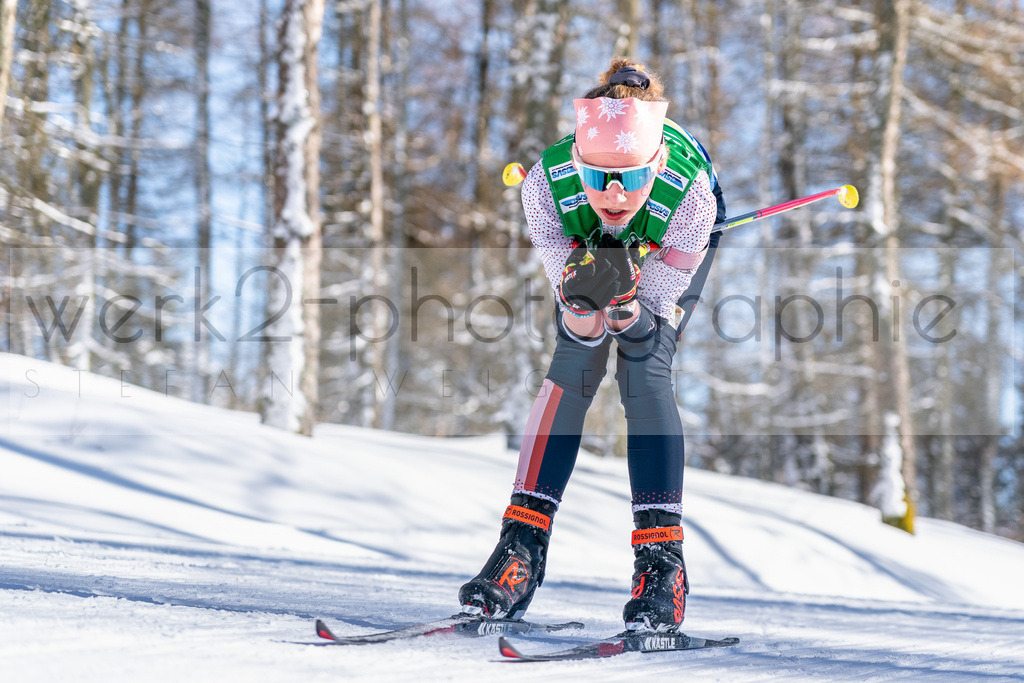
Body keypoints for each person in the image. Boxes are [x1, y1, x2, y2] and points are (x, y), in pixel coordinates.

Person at [459, 57, 726, 633]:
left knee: (644, 369)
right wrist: (583, 300)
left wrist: (628, 301)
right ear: (575, 161)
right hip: (588, 241)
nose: (612, 192)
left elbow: (640, 332)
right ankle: (520, 550)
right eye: (597, 174)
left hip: (668, 247)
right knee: (574, 362)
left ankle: (661, 568)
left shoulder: (691, 201)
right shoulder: (543, 186)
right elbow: (582, 330)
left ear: (654, 167)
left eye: (630, 178)